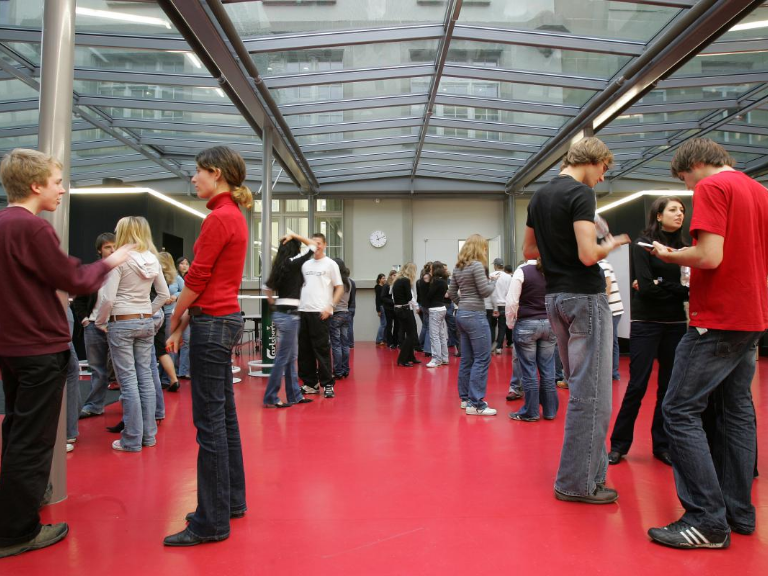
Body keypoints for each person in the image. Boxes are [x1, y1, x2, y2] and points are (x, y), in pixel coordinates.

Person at [0, 148, 131, 558]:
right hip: (40, 346)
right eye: (57, 182)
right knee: (34, 440)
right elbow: (74, 278)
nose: (62, 189)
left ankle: (15, 508)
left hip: (12, 347)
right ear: (36, 185)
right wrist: (113, 261)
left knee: (17, 431)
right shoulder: (33, 229)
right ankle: (18, 531)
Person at [647, 138, 768, 549]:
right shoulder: (758, 191)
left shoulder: (713, 188)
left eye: (684, 178)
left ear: (694, 164)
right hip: (751, 316)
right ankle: (739, 512)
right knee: (737, 411)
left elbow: (710, 256)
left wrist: (672, 255)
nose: (687, 187)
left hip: (716, 317)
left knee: (679, 410)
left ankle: (705, 518)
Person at [524, 137, 629, 504]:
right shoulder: (581, 195)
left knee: (581, 388)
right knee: (593, 395)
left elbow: (529, 250)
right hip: (585, 297)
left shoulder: (539, 197)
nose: (602, 178)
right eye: (603, 169)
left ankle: (585, 476)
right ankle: (577, 483)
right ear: (594, 160)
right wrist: (613, 243)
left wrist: (559, 251)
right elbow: (588, 256)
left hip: (555, 299)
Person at [163, 146, 252, 547]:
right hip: (222, 319)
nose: (193, 179)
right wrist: (184, 323)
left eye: (197, 173)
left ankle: (211, 521)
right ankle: (228, 503)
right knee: (224, 418)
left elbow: (197, 279)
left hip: (213, 324)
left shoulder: (218, 218)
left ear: (216, 173)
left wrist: (174, 315)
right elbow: (209, 282)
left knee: (210, 423)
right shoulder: (233, 215)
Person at [608, 196, 688, 467]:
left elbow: (689, 290)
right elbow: (647, 287)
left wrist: (660, 283)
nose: (680, 214)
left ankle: (662, 445)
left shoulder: (686, 248)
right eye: (674, 210)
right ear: (658, 215)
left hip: (676, 324)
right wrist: (669, 288)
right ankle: (619, 445)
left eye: (682, 210)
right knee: (637, 385)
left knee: (668, 388)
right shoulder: (643, 245)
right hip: (646, 323)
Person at [95, 216, 169, 452]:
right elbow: (164, 294)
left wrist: (100, 320)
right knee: (146, 378)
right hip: (145, 322)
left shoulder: (120, 260)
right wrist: (147, 311)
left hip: (122, 322)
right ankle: (148, 436)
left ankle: (132, 439)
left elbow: (108, 298)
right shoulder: (153, 259)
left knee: (128, 382)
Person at [263, 232, 317, 408]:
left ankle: (294, 395)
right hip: (290, 316)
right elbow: (313, 245)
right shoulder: (294, 263)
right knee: (283, 358)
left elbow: (266, 288)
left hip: (282, 313)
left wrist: (274, 306)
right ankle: (271, 397)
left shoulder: (280, 265)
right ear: (295, 249)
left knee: (289, 356)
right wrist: (294, 235)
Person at [448, 235, 497, 416]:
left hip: (462, 314)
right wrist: (493, 281)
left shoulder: (458, 268)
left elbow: (451, 292)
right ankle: (476, 403)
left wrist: (463, 303)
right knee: (482, 359)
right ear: (479, 248)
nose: (485, 251)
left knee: (467, 359)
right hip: (475, 315)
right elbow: (485, 291)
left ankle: (466, 399)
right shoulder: (477, 266)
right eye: (484, 248)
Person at [505, 258, 558, 422]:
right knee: (548, 370)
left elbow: (512, 301)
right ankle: (550, 411)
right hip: (549, 324)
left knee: (528, 370)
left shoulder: (522, 271)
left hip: (527, 323)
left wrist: (510, 322)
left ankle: (531, 411)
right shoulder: (553, 271)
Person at [75, 232, 117, 419]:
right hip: (93, 325)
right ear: (100, 250)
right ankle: (94, 405)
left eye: (115, 246)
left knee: (124, 368)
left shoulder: (125, 268)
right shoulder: (91, 271)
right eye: (108, 246)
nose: (112, 249)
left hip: (117, 324)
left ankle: (129, 406)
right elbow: (79, 299)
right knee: (97, 369)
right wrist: (85, 320)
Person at [297, 233, 344, 399]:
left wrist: (330, 306)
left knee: (322, 350)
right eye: (313, 243)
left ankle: (328, 384)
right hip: (303, 311)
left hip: (320, 313)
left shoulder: (330, 264)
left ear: (324, 245)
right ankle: (310, 384)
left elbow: (339, 287)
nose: (315, 246)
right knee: (304, 351)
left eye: (318, 243)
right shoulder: (305, 264)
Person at [157, 252, 181, 392]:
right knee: (161, 347)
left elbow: (184, 291)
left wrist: (174, 296)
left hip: (169, 314)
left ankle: (168, 378)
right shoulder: (155, 275)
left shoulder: (176, 278)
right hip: (157, 313)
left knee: (167, 346)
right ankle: (164, 377)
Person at [598, 259, 625, 382]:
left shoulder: (601, 264)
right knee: (611, 340)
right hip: (613, 309)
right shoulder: (604, 262)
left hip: (611, 309)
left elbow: (607, 286)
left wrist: (600, 307)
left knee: (609, 341)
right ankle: (612, 372)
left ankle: (612, 372)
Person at [392, 263, 420, 367]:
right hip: (404, 309)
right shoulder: (406, 281)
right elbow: (408, 297)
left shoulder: (398, 280)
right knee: (411, 335)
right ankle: (402, 359)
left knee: (409, 334)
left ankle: (410, 357)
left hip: (399, 309)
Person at [330, 258, 353, 379]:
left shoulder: (335, 281)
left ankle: (337, 371)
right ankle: (345, 369)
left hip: (336, 314)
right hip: (346, 313)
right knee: (345, 344)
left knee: (336, 344)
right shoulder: (349, 281)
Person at [426, 261, 449, 368]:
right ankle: (444, 357)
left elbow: (429, 295)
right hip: (442, 308)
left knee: (434, 335)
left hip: (435, 309)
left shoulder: (435, 282)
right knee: (441, 335)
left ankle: (436, 359)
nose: (430, 271)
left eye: (431, 269)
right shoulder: (444, 281)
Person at [490, 258, 511, 355]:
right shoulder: (508, 277)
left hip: (492, 305)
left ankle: (491, 346)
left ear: (495, 265)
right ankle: (499, 347)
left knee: (492, 326)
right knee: (502, 326)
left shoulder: (491, 275)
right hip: (504, 304)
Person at [175, 256, 191, 379]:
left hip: (185, 312)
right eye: (182, 263)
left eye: (186, 263)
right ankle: (179, 370)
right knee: (182, 342)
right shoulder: (175, 278)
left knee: (184, 342)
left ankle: (182, 370)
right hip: (177, 312)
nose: (184, 266)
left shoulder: (188, 278)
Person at [416, 263, 432, 357]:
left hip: (422, 304)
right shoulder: (427, 281)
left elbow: (419, 295)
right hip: (426, 305)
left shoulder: (419, 281)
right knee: (428, 326)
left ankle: (420, 344)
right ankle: (426, 348)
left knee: (425, 326)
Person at [381, 270, 397, 349]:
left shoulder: (396, 285)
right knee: (389, 325)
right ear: (390, 276)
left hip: (396, 308)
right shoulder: (386, 285)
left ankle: (395, 341)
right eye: (394, 275)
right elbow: (383, 297)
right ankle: (389, 342)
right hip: (388, 308)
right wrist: (392, 302)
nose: (395, 276)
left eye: (396, 275)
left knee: (397, 325)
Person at [374, 273, 387, 346]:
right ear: (379, 279)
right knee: (383, 323)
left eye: (385, 278)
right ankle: (379, 340)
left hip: (384, 306)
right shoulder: (378, 287)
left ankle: (383, 339)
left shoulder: (384, 286)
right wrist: (378, 310)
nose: (384, 279)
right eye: (383, 278)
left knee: (385, 324)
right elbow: (377, 299)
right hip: (381, 307)